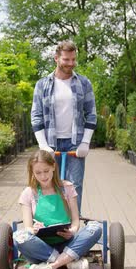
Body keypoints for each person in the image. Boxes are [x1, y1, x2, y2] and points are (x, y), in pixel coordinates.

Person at [13, 150, 102, 269]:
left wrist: (72, 231)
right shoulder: (28, 193)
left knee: (95, 227)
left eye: (46, 171)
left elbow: (76, 221)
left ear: (53, 167)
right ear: (32, 172)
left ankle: (52, 266)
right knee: (18, 236)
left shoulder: (67, 187)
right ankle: (69, 262)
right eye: (38, 172)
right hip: (41, 247)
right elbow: (28, 227)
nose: (43, 176)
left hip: (67, 243)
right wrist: (34, 230)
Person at [31, 40, 97, 213]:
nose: (71, 63)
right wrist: (43, 145)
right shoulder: (42, 85)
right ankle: (51, 224)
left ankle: (72, 226)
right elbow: (36, 115)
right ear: (56, 58)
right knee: (47, 184)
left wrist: (85, 143)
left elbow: (91, 113)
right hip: (51, 144)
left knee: (74, 186)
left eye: (73, 59)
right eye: (66, 59)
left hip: (75, 144)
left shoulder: (83, 83)